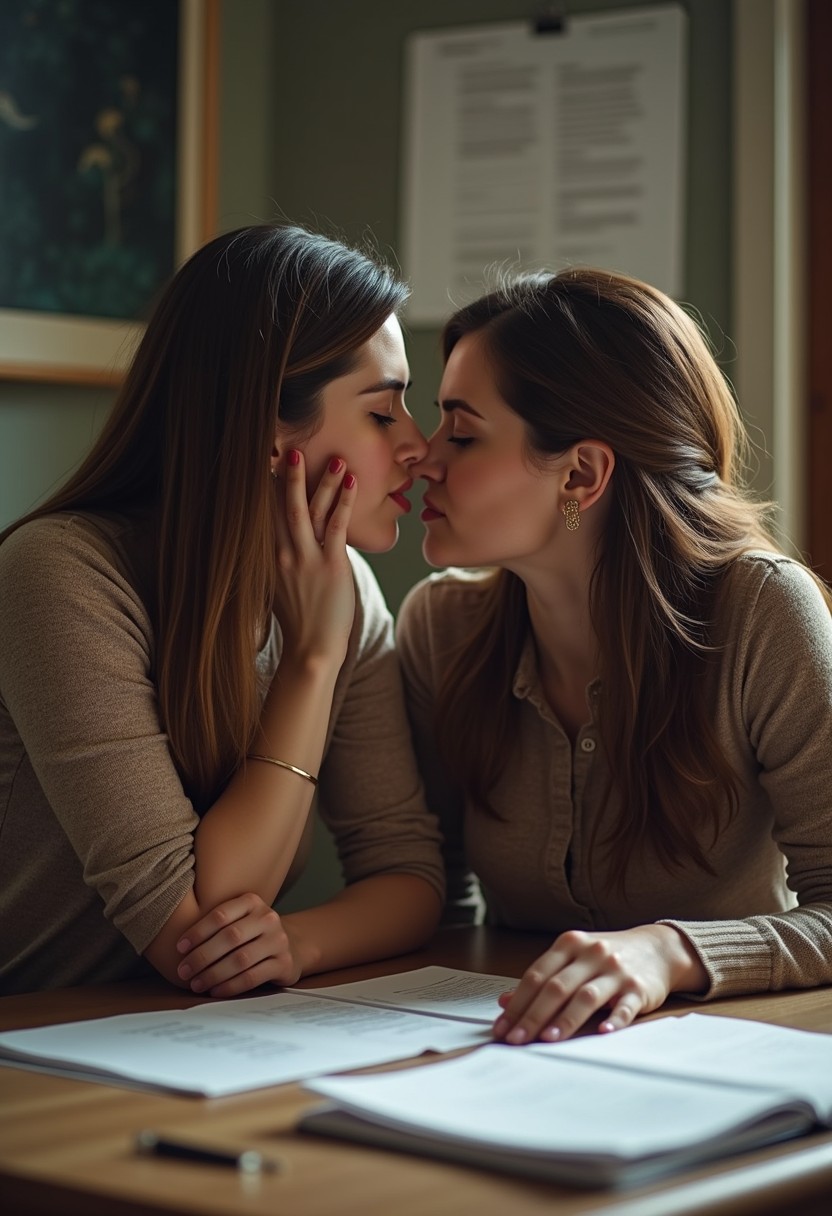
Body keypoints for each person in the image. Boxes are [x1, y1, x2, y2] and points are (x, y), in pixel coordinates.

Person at [0, 224, 444, 996]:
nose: (421, 447)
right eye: (383, 414)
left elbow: (407, 872)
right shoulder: (62, 575)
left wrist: (297, 944)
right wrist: (311, 659)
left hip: (170, 1035)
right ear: (271, 436)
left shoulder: (347, 590)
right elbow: (192, 933)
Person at [397, 267, 832, 1045]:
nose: (423, 459)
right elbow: (436, 899)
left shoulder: (763, 614)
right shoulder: (441, 628)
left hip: (732, 1050)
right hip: (510, 1049)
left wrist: (671, 952)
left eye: (461, 434)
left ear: (582, 473)